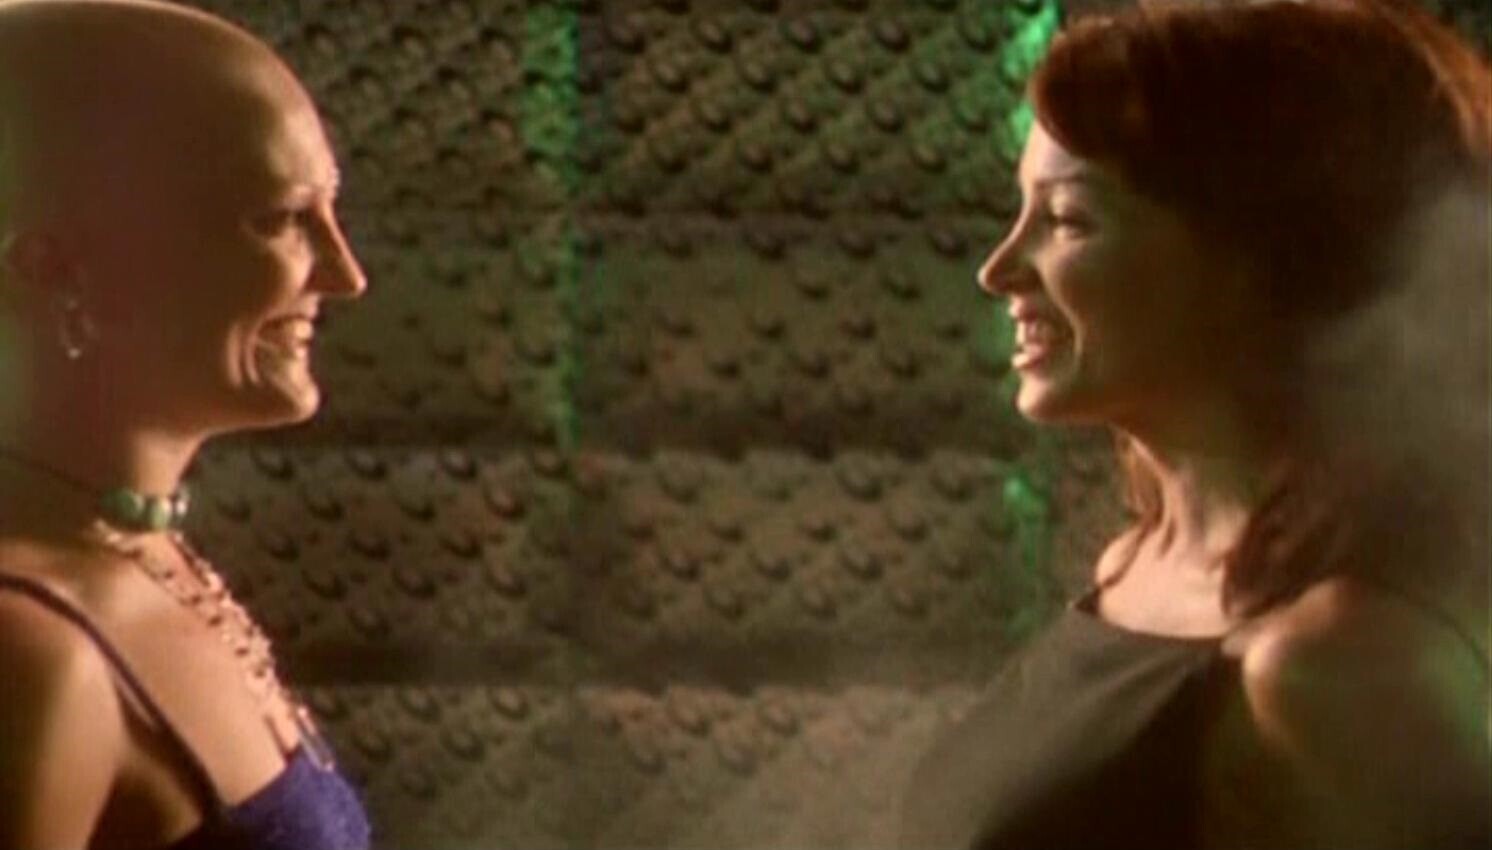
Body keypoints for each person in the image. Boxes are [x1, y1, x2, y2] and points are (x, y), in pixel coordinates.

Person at [900, 1, 1491, 847]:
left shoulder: (1336, 669)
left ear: (1260, 259)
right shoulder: (1133, 568)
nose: (999, 270)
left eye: (1067, 220)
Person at [0, 1, 370, 847]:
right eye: (277, 219)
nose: (345, 274)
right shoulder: (28, 656)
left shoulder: (138, 549)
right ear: (56, 267)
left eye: (331, 211)